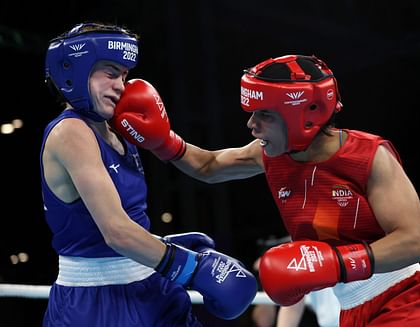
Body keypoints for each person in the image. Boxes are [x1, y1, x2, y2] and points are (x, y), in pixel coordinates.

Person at [110, 54, 420, 326]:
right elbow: (209, 166)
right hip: (351, 309)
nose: (251, 124)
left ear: (301, 114)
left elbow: (413, 241)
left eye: (263, 115)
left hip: (406, 300)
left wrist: (335, 263)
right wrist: (164, 142)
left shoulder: (370, 156)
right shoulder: (270, 155)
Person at [40, 22, 257, 327]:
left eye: (124, 76)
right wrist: (192, 267)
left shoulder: (120, 130)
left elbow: (127, 218)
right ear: (73, 69)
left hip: (151, 284)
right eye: (110, 73)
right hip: (97, 302)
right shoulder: (71, 132)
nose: (120, 86)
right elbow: (116, 232)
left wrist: (158, 244)